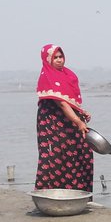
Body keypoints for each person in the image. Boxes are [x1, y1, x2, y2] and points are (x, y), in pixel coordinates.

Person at [35, 43, 94, 192]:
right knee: (54, 157)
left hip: (68, 120)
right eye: (55, 58)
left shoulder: (68, 75)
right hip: (52, 123)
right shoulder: (47, 76)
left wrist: (81, 112)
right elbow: (61, 103)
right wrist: (78, 121)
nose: (59, 60)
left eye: (61, 57)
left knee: (82, 151)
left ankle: (80, 192)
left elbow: (69, 102)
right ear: (47, 59)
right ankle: (49, 194)